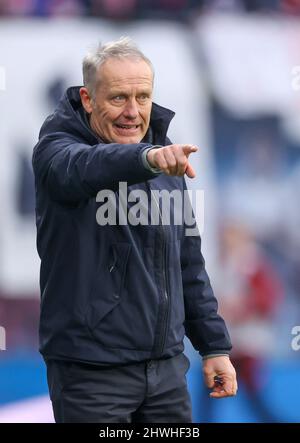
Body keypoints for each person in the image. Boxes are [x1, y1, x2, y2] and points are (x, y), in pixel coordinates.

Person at [32, 36, 237, 423]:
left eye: (143, 97)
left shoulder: (164, 158)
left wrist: (213, 347)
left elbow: (188, 265)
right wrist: (146, 158)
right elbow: (88, 166)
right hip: (91, 375)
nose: (133, 111)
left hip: (166, 376)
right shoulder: (57, 151)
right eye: (118, 98)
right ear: (88, 99)